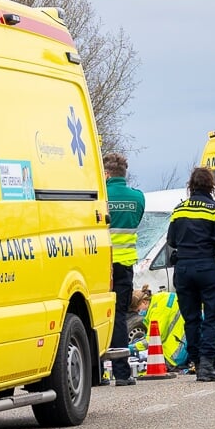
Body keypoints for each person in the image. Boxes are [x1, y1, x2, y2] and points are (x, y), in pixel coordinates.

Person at [166, 167, 215, 383]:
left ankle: (195, 361)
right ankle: (206, 364)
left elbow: (172, 241)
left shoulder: (179, 209)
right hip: (207, 268)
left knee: (190, 318)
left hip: (183, 269)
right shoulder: (214, 209)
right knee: (211, 318)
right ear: (211, 185)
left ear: (190, 185)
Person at [99, 152, 144, 387]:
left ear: (106, 174)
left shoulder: (100, 196)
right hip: (124, 266)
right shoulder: (138, 198)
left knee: (92, 316)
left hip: (99, 265)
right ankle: (122, 373)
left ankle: (96, 373)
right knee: (118, 316)